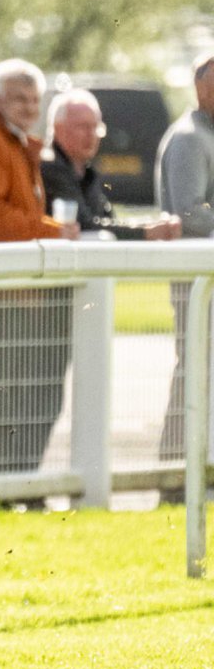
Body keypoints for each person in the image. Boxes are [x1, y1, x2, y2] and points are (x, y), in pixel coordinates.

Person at [0, 59, 77, 492]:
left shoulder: (11, 140)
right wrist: (56, 232)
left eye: (33, 98)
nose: (28, 106)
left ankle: (16, 484)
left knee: (25, 398)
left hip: (15, 290)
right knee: (1, 401)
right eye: (18, 98)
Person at [155, 53, 214, 468]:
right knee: (194, 368)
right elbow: (189, 214)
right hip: (196, 277)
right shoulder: (191, 137)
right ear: (200, 87)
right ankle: (176, 472)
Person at [42, 89, 180, 241]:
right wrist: (145, 232)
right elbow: (83, 225)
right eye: (83, 127)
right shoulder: (51, 167)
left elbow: (106, 220)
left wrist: (150, 223)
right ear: (58, 129)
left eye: (96, 127)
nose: (91, 134)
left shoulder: (85, 170)